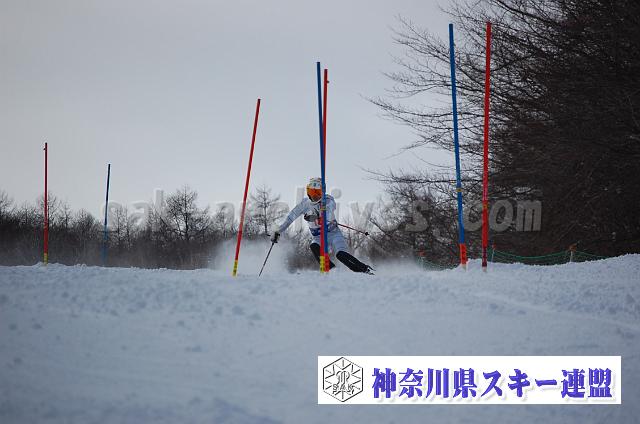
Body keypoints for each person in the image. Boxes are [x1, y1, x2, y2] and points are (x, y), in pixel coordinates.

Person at [271, 177, 373, 274]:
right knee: (314, 246)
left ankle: (364, 269)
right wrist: (278, 231)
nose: (315, 196)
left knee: (341, 255)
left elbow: (330, 210)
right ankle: (331, 270)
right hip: (318, 237)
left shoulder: (328, 200)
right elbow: (290, 218)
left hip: (333, 234)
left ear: (323, 192)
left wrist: (321, 215)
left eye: (318, 193)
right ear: (308, 192)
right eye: (312, 192)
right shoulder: (304, 204)